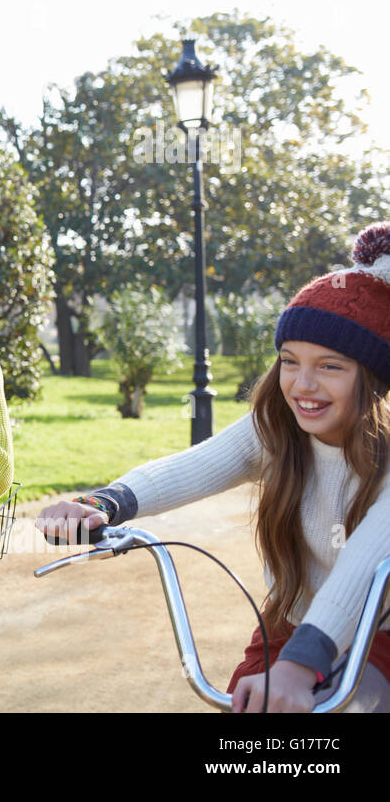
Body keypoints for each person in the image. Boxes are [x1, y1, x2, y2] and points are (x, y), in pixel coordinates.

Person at [37, 221, 390, 713]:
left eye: (330, 366)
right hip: (292, 622)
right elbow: (191, 467)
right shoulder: (280, 429)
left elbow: (365, 563)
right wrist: (102, 503)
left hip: (379, 634)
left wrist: (298, 665)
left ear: (374, 380)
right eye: (290, 361)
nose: (303, 385)